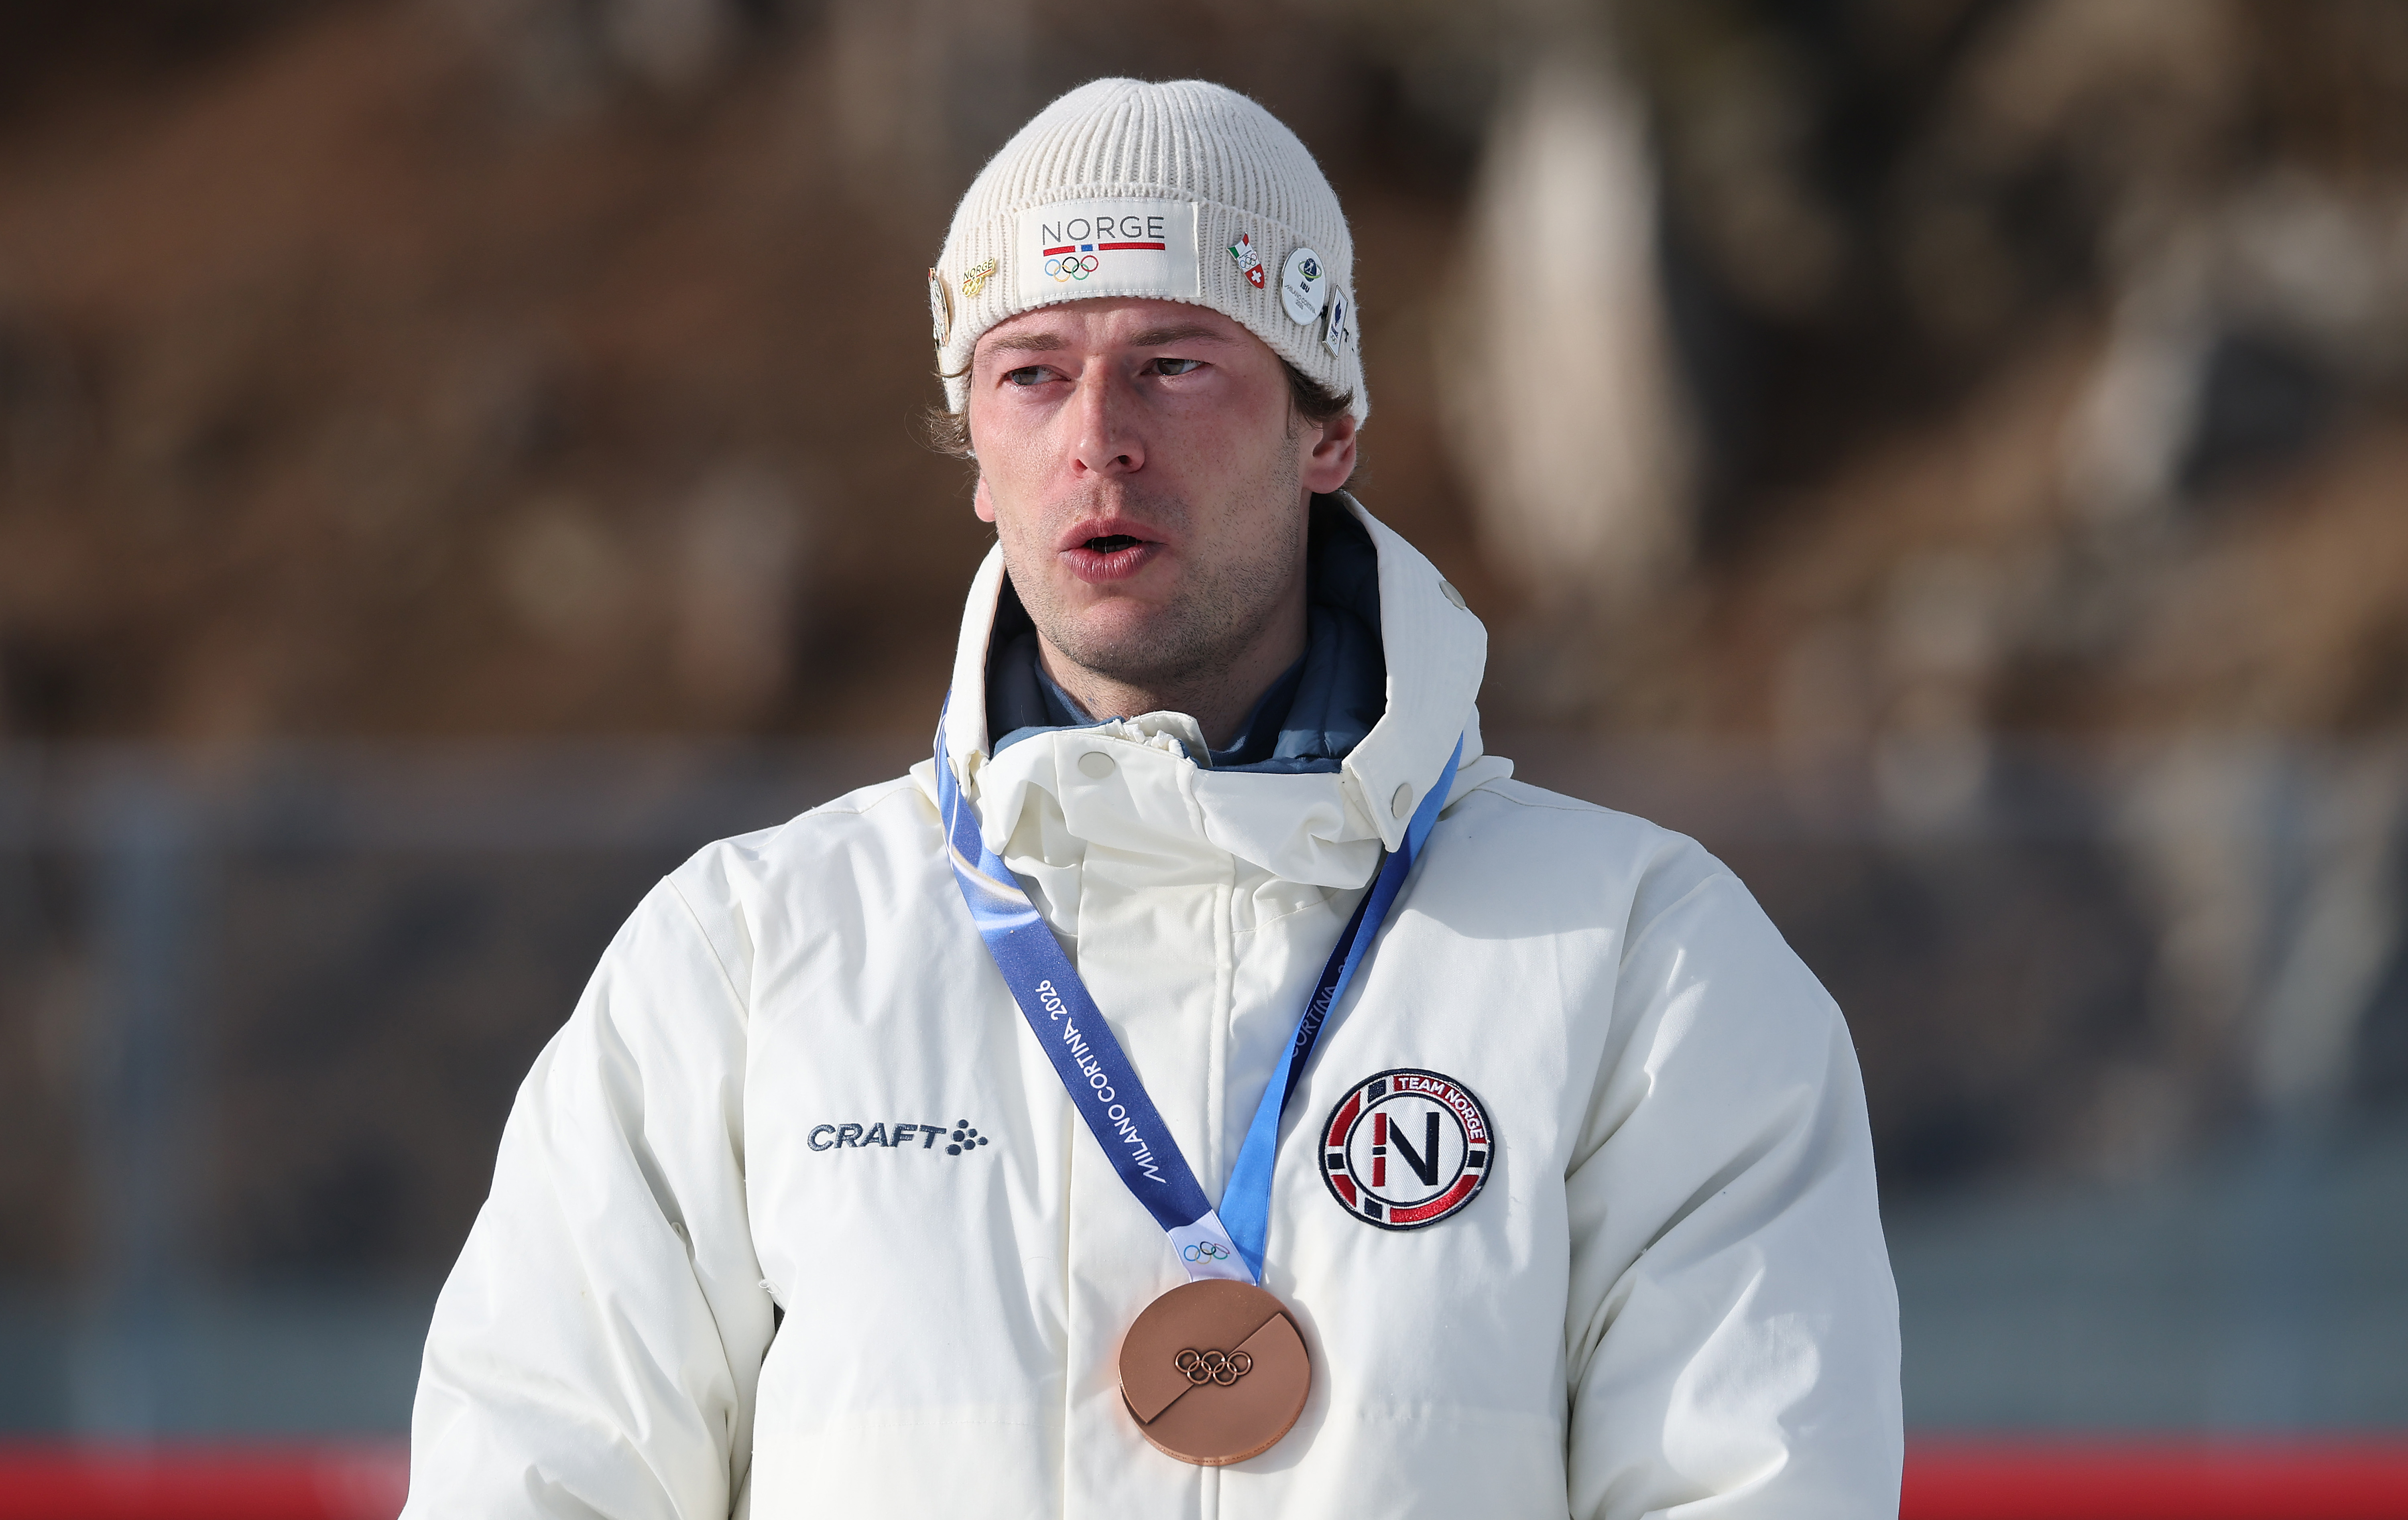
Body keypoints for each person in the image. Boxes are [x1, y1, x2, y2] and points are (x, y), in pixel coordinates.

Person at [401, 77, 1902, 1518]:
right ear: (977, 456)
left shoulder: (1643, 962)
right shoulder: (741, 965)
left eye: (1177, 362)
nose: (1097, 436)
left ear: (1329, 431)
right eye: (1033, 371)